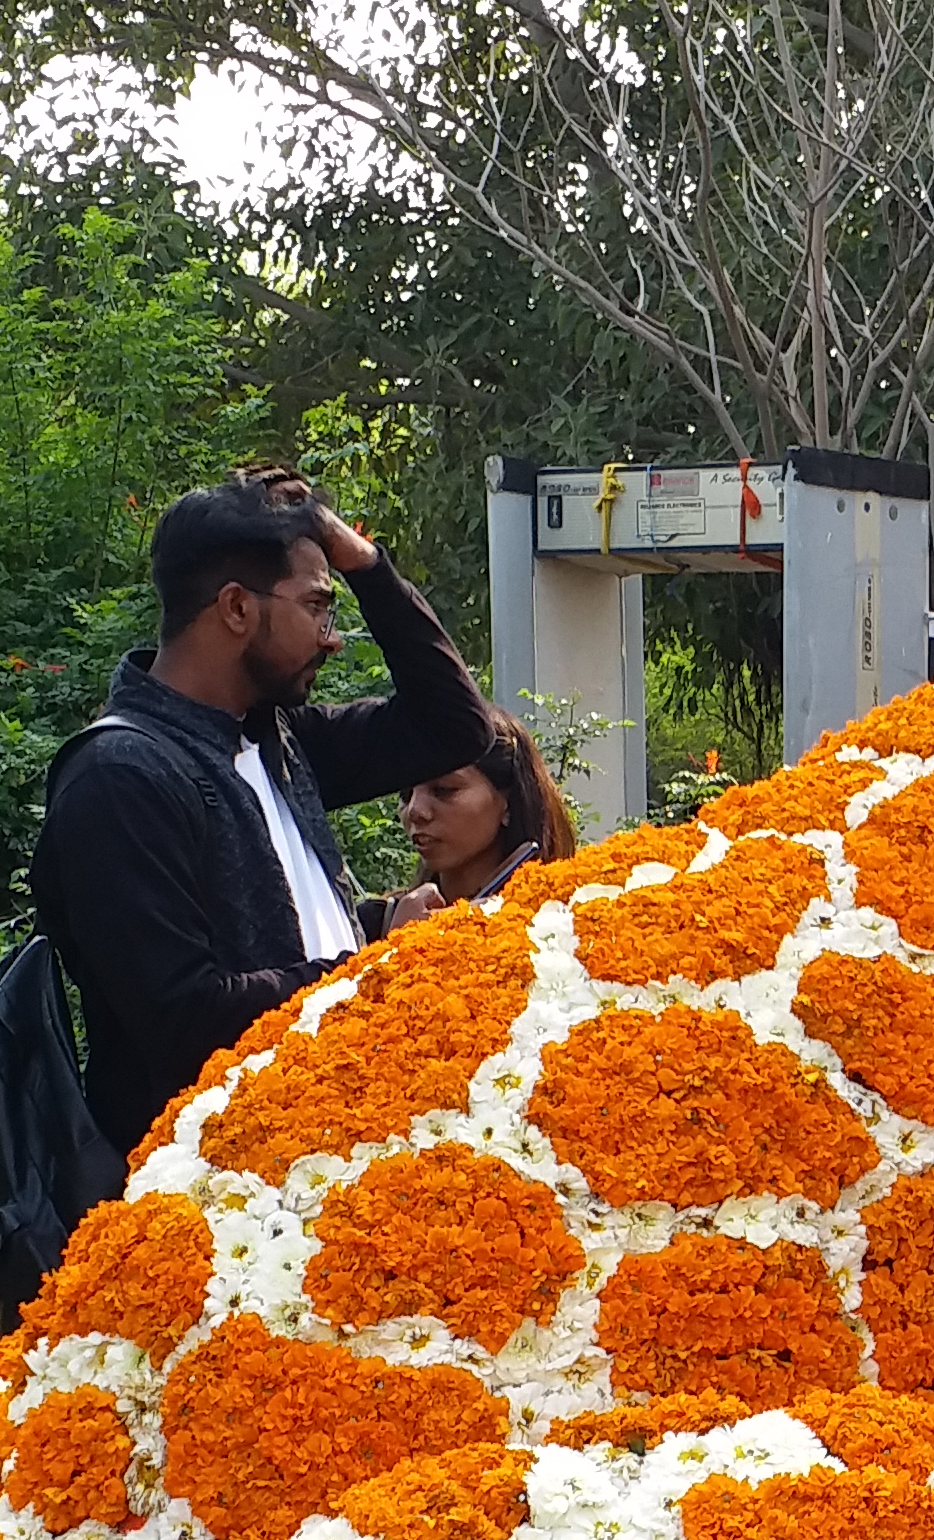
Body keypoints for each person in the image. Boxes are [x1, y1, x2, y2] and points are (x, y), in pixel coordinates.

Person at [32, 466, 494, 1157]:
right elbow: (186, 1018)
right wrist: (376, 963)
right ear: (237, 609)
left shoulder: (277, 740)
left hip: (305, 1160)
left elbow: (457, 728)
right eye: (317, 606)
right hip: (207, 1201)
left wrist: (366, 564)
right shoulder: (120, 778)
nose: (332, 637)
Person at [397, 708, 579, 913]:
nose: (415, 810)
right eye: (405, 794)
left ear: (509, 800)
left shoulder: (572, 921)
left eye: (443, 790)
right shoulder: (369, 926)